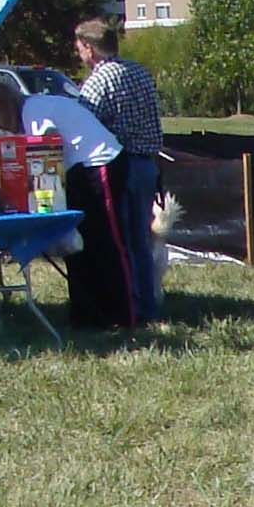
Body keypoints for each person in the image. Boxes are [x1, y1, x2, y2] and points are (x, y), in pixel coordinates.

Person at [0, 82, 135, 326]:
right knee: (81, 247)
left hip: (99, 164)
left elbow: (46, 150)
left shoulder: (34, 111)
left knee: (108, 242)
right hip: (79, 171)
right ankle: (89, 314)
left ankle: (125, 314)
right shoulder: (33, 111)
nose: (2, 126)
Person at [75, 17, 162, 323]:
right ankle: (148, 304)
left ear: (89, 48)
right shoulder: (139, 72)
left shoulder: (100, 80)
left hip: (120, 166)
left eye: (80, 49)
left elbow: (85, 125)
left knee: (121, 241)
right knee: (140, 240)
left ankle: (130, 306)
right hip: (148, 164)